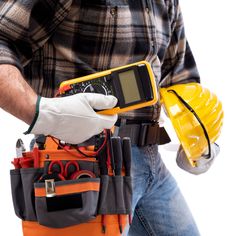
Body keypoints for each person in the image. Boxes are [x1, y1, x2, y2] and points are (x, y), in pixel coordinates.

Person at [0, 0, 201, 235]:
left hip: (150, 162)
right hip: (77, 159)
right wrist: (41, 112)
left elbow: (178, 73)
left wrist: (199, 134)